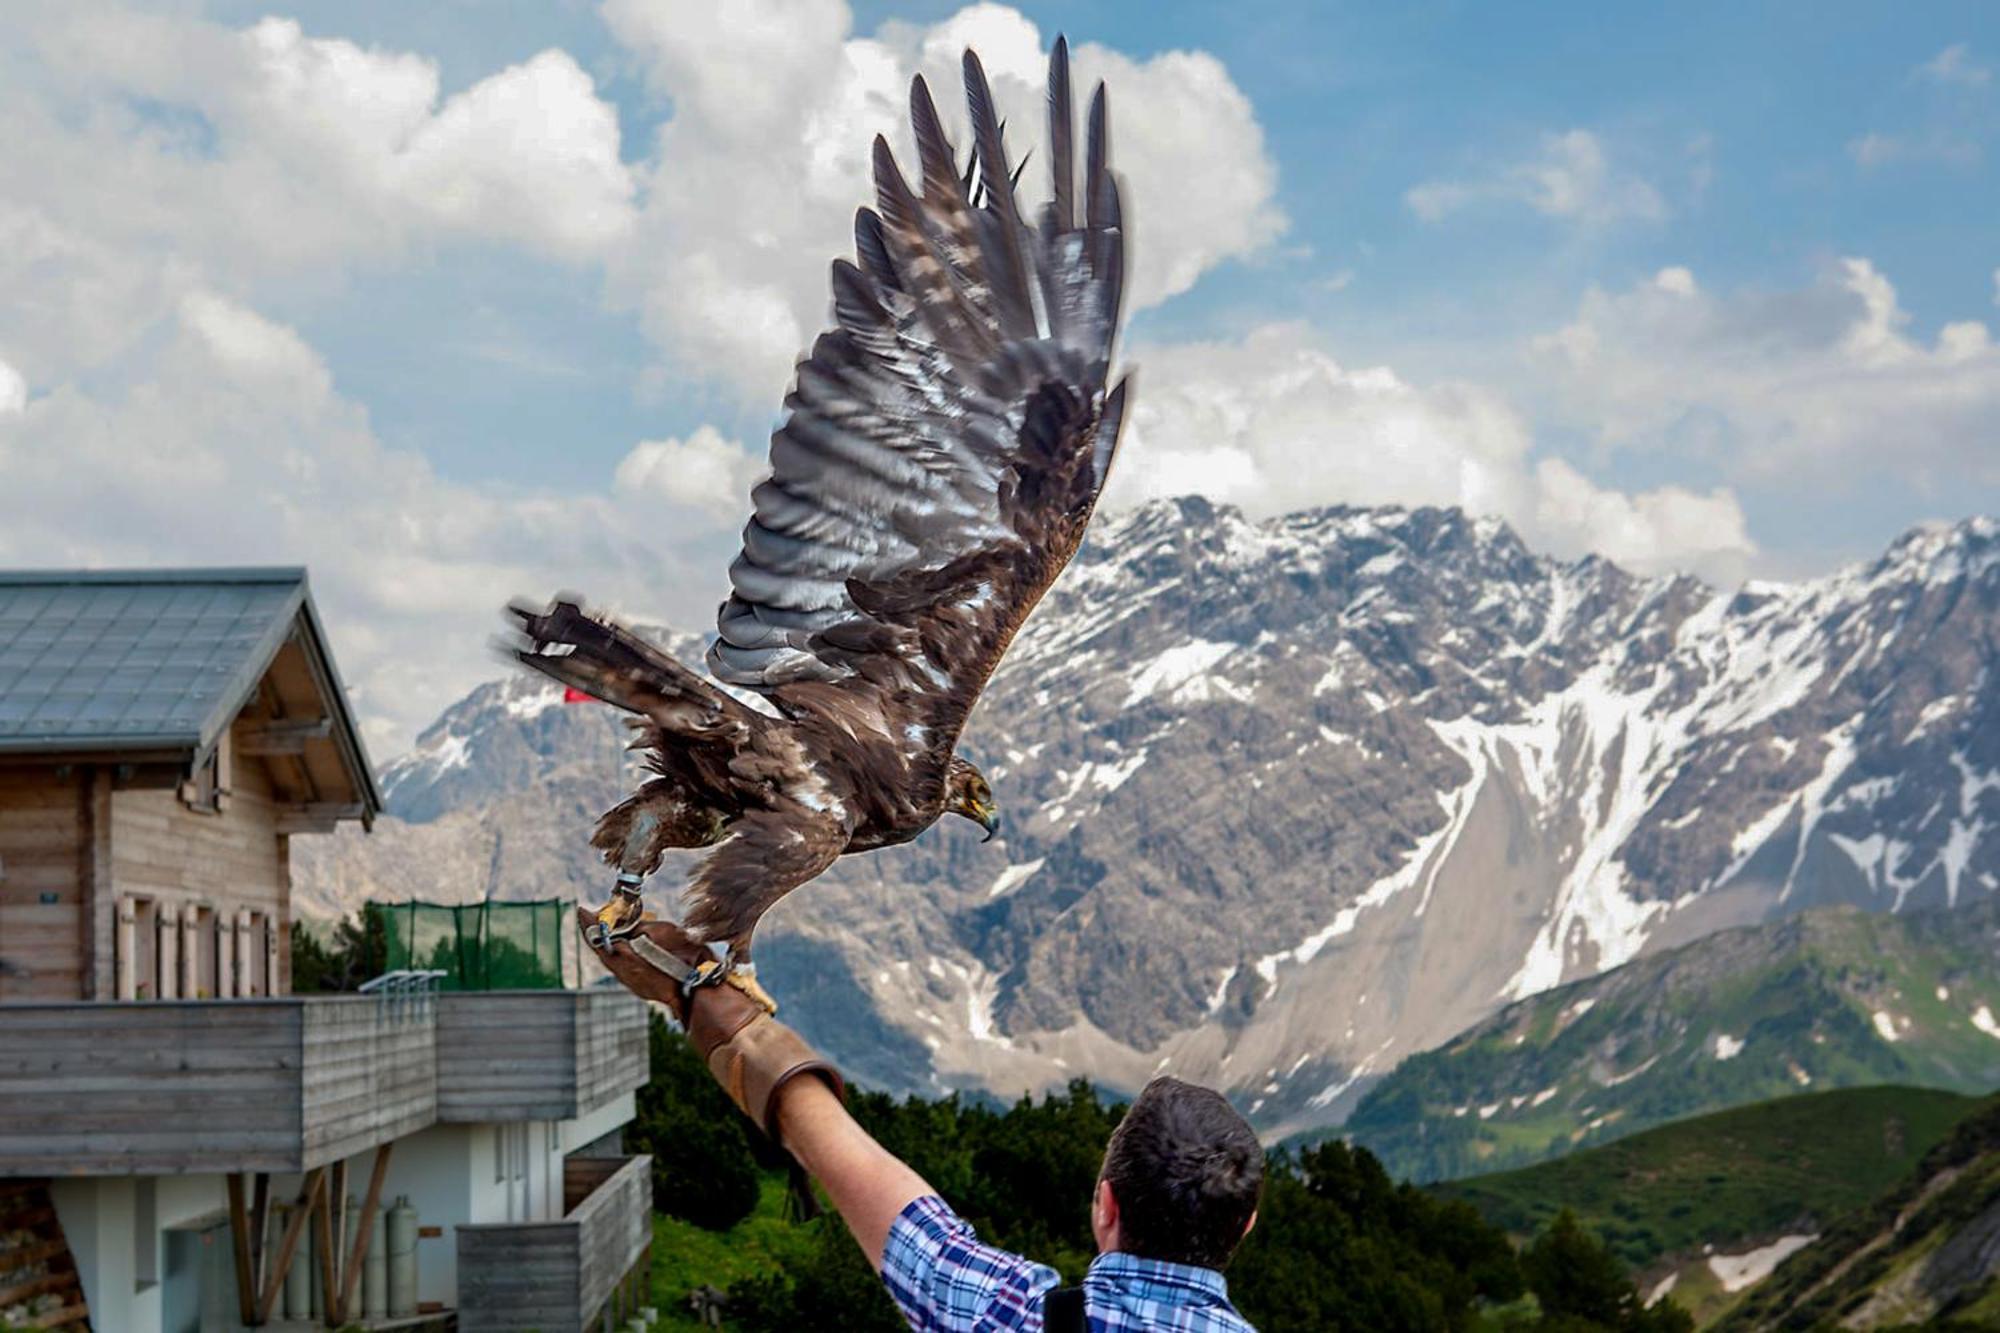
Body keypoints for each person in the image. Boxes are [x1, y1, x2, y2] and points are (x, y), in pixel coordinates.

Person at [584, 909, 1263, 1331]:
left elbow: (881, 1192)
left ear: (1106, 1206)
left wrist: (704, 1006)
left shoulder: (1007, 1313)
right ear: (1244, 1224)